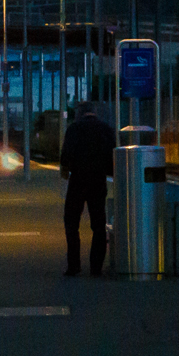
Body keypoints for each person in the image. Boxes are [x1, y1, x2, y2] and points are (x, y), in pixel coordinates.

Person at [59, 100, 116, 276]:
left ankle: (74, 265)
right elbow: (112, 156)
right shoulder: (106, 129)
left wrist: (66, 170)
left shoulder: (74, 129)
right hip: (98, 181)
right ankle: (96, 267)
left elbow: (66, 153)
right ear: (94, 112)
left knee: (71, 223)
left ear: (80, 113)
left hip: (78, 180)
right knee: (98, 224)